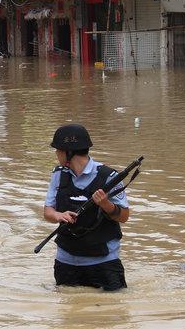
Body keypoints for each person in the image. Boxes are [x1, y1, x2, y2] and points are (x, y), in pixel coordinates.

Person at [43, 124, 130, 291]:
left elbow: (124, 216)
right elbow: (48, 212)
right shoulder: (58, 174)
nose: (56, 154)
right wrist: (58, 216)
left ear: (68, 152)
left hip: (104, 263)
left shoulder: (109, 176)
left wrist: (106, 204)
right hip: (65, 262)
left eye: (58, 150)